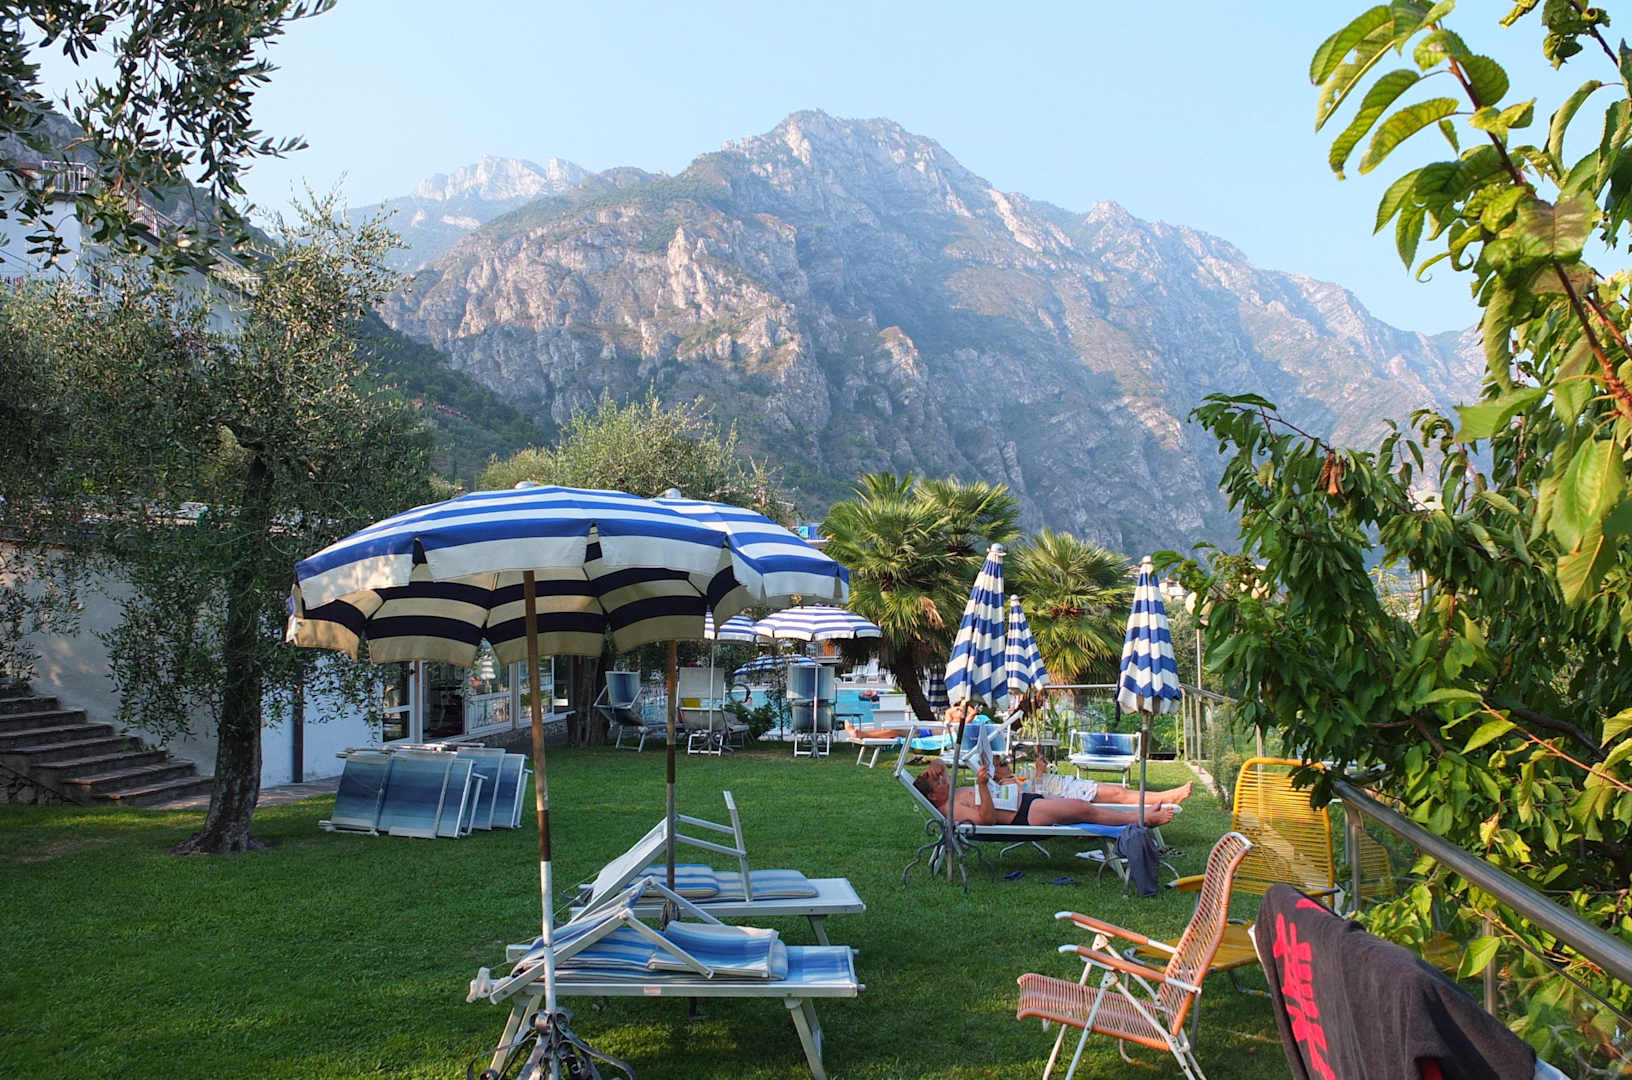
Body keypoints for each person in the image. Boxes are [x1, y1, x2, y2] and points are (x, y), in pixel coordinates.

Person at [912, 759, 1186, 827]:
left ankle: (1141, 813)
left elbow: (941, 765)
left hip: (1025, 800)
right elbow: (987, 820)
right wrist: (983, 787)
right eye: (939, 782)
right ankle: (1142, 819)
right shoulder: (949, 809)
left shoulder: (947, 794)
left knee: (1081, 804)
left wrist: (934, 766)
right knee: (1083, 809)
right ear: (933, 797)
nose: (945, 780)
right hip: (1023, 815)